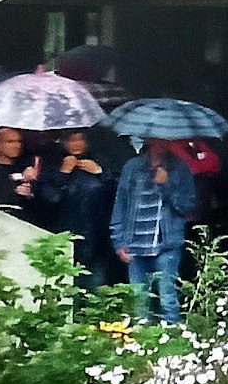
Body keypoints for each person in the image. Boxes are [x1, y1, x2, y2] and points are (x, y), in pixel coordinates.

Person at [110, 139, 200, 324]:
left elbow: (188, 206)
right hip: (135, 244)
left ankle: (174, 343)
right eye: (157, 138)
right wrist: (119, 241)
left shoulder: (180, 167)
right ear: (148, 139)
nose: (162, 142)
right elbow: (120, 204)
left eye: (166, 139)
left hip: (165, 245)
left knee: (168, 297)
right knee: (139, 300)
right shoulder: (132, 167)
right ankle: (142, 346)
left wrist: (166, 185)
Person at [36, 130, 115, 286]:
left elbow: (116, 194)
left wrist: (100, 172)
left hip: (96, 241)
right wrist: (63, 173)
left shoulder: (100, 161)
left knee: (95, 288)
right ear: (64, 142)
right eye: (72, 140)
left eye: (81, 139)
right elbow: (48, 199)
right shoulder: (52, 164)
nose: (77, 144)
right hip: (63, 237)